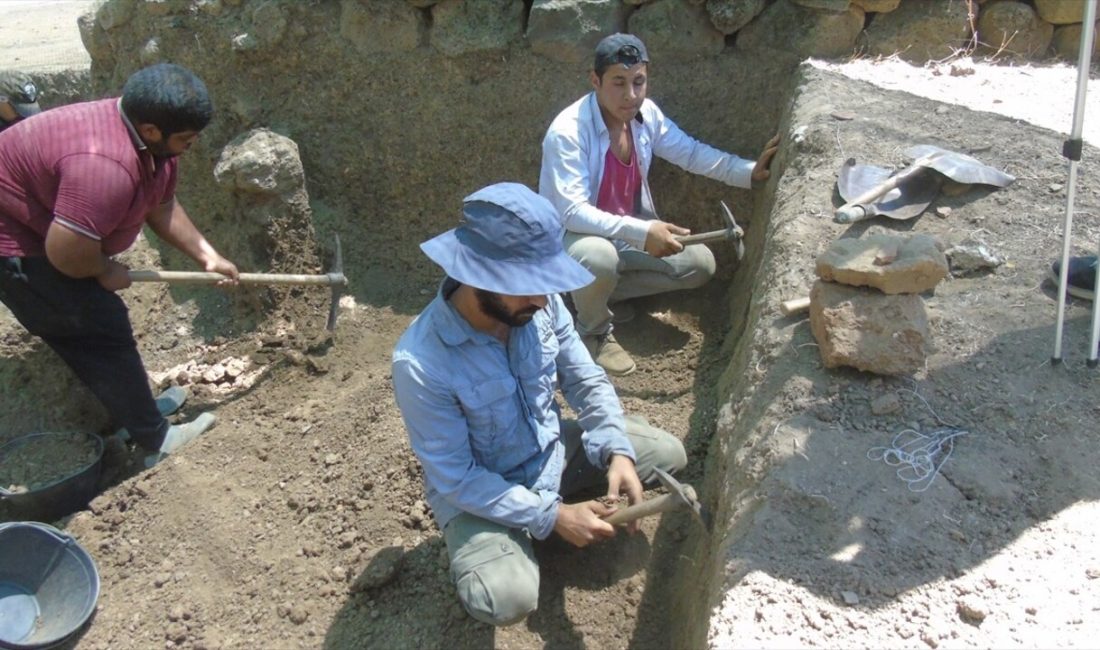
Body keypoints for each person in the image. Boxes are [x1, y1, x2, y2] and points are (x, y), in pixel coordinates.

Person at [391, 182, 687, 626]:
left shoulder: (537, 307)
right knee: (506, 598)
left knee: (668, 454)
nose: (543, 299)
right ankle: (505, 543)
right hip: (482, 490)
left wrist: (616, 447)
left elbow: (585, 377)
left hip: (550, 454)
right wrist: (553, 516)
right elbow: (457, 478)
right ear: (477, 276)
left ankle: (586, 477)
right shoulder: (420, 362)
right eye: (527, 285)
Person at [0, 63, 238, 467]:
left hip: (53, 231)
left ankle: (138, 411)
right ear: (150, 130)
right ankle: (154, 438)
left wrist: (206, 255)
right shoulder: (105, 164)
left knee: (101, 327)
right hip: (17, 247)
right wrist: (104, 270)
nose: (192, 144)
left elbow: (161, 205)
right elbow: (68, 251)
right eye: (186, 138)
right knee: (98, 328)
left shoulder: (154, 139)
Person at [540, 33, 779, 376]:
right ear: (596, 81)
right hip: (572, 238)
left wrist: (747, 171)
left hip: (623, 231)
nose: (631, 95)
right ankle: (593, 332)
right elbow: (572, 213)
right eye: (618, 83)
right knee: (599, 257)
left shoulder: (644, 116)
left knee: (699, 264)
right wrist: (643, 230)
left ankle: (592, 298)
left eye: (639, 82)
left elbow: (691, 153)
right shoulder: (568, 131)